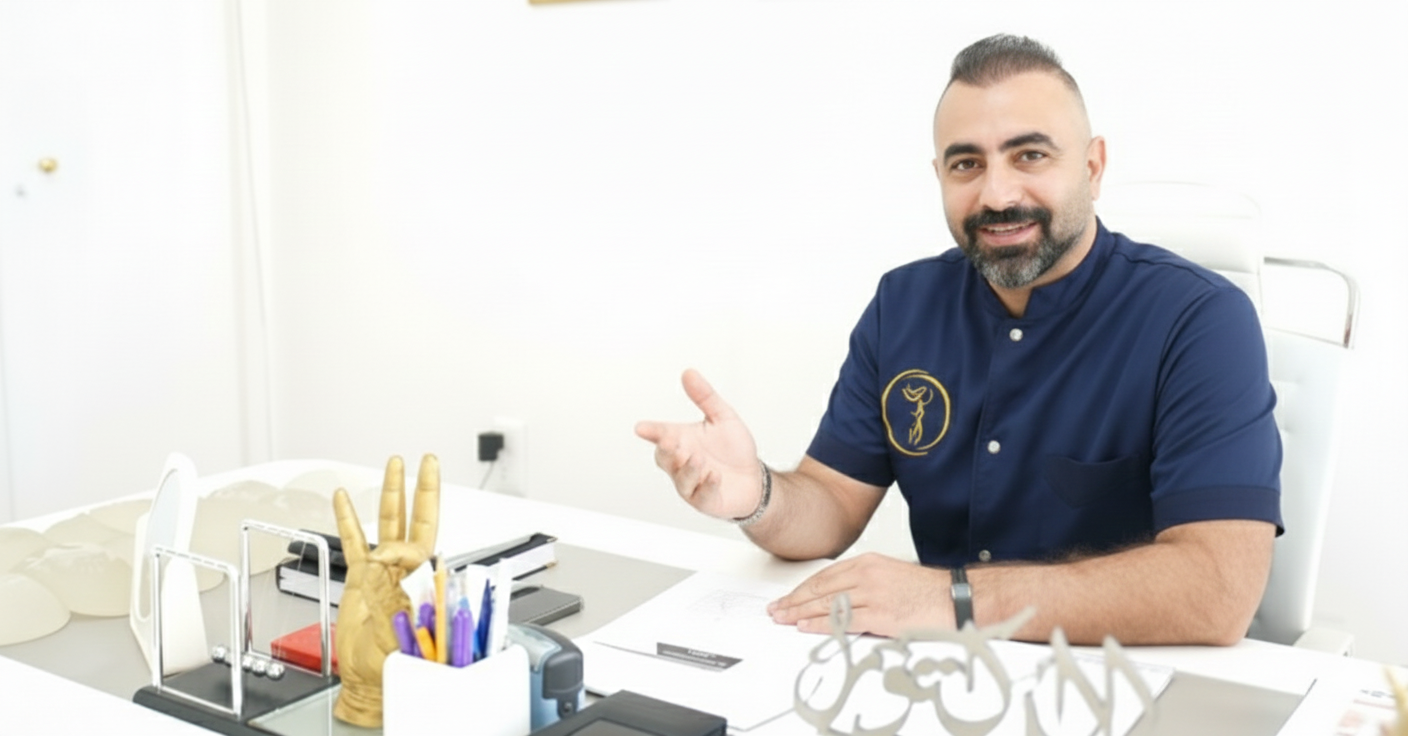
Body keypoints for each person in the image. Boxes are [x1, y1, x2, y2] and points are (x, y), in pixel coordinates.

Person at [634, 34, 1282, 647]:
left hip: (1121, 677)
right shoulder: (903, 305)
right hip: (940, 675)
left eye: (1030, 156)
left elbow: (1219, 590)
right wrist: (757, 495)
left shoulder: (1200, 320)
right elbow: (830, 504)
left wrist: (954, 599)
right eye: (967, 164)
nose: (997, 194)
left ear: (1092, 166)